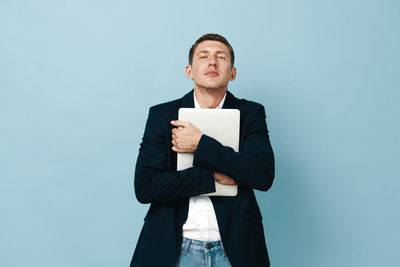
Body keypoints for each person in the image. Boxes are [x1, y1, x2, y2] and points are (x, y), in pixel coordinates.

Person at [130, 33, 275, 267]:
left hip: (236, 250)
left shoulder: (251, 113)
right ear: (190, 71)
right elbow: (145, 187)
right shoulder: (162, 115)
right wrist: (213, 176)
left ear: (233, 72)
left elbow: (263, 175)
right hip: (174, 249)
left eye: (221, 56)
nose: (212, 62)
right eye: (203, 56)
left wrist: (200, 144)